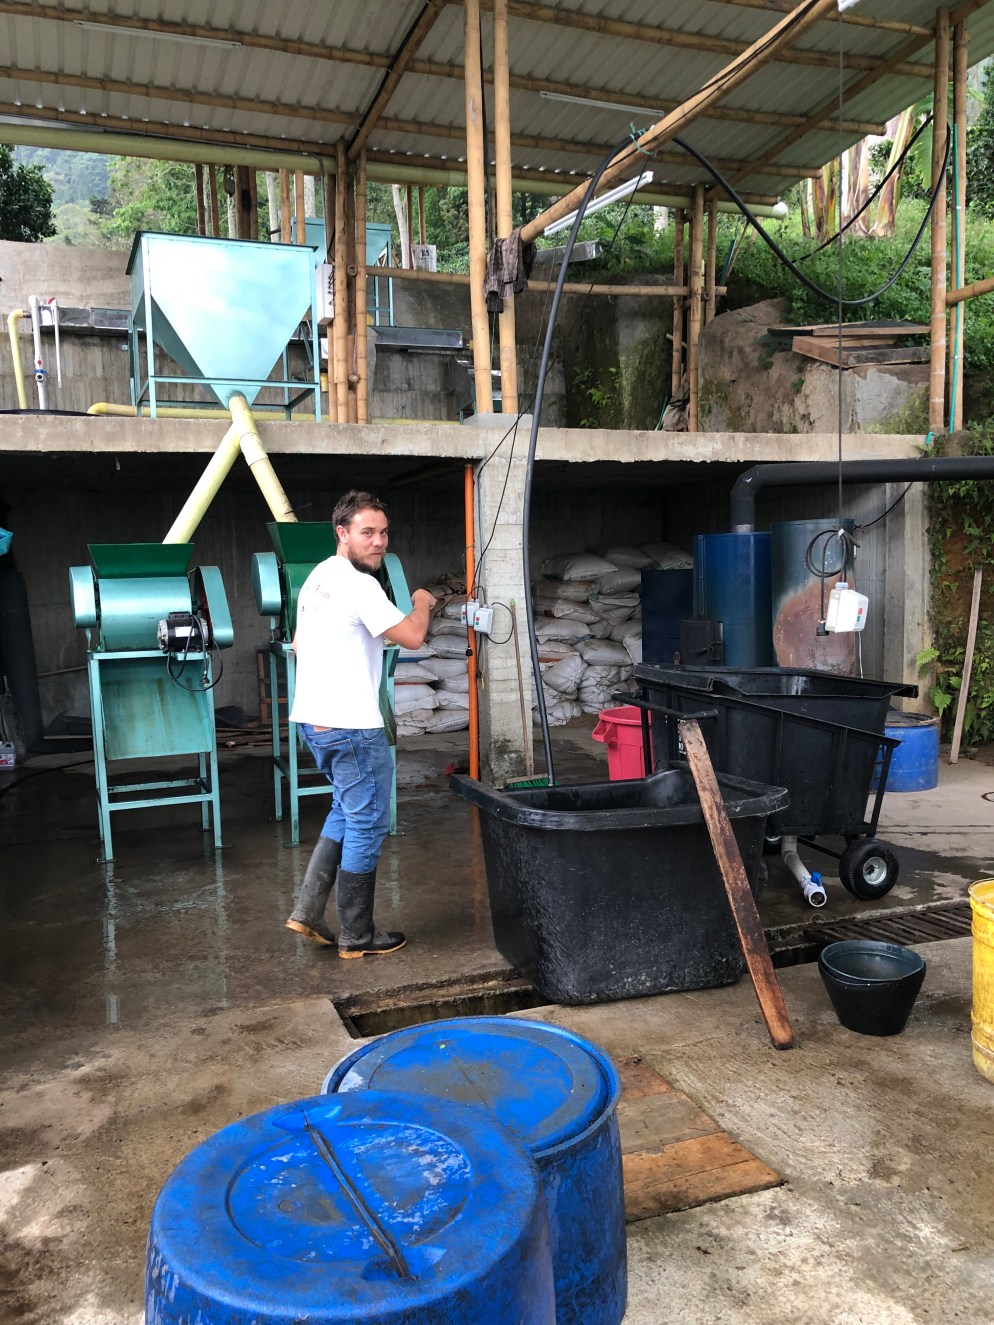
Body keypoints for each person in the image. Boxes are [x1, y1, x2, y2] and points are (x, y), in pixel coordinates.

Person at [284, 490, 436, 957]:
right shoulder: (360, 586)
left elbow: (298, 644)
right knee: (368, 823)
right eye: (367, 532)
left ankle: (307, 912)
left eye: (383, 533)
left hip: (315, 720)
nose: (378, 542)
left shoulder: (318, 578)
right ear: (342, 533)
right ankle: (357, 934)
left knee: (345, 811)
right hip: (352, 726)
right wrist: (422, 601)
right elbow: (413, 636)